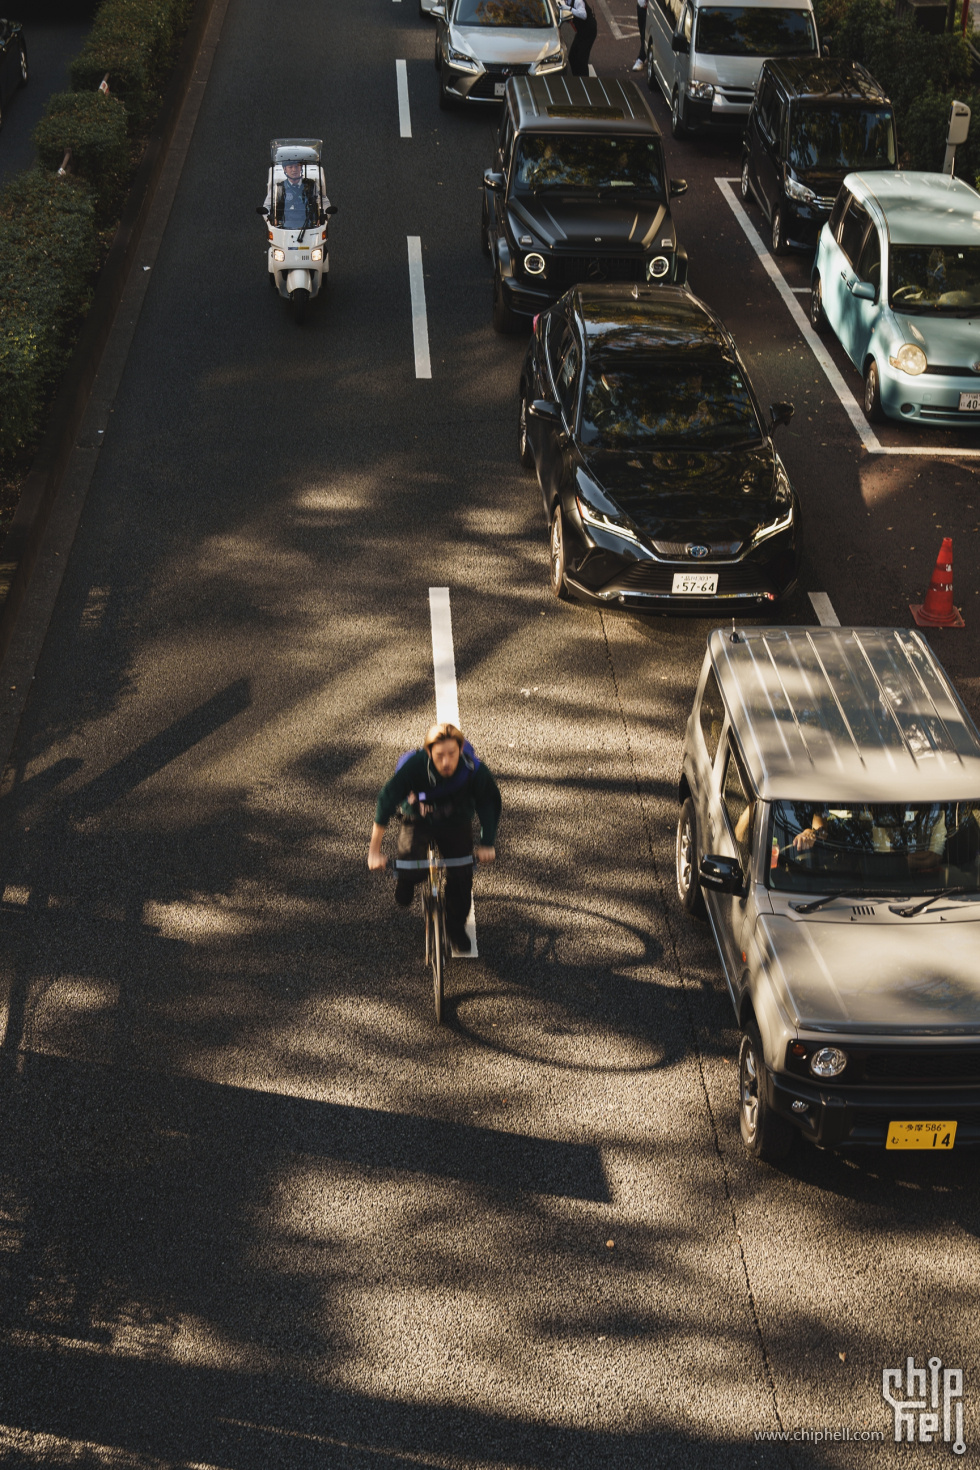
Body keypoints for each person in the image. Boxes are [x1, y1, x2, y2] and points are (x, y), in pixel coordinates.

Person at [368, 723, 501, 953]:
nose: (447, 762)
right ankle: (407, 879)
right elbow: (385, 803)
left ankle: (455, 927)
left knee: (462, 877)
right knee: (410, 865)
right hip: (418, 819)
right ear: (429, 753)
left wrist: (487, 842)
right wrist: (374, 850)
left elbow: (489, 803)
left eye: (452, 754)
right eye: (440, 755)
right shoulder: (414, 767)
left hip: (456, 821)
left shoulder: (474, 770)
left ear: (460, 749)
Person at [264, 160, 322, 231]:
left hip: (309, 227)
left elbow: (323, 202)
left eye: (297, 166)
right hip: (284, 228)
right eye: (290, 167)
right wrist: (270, 218)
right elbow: (266, 206)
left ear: (301, 168)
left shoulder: (311, 185)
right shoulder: (279, 188)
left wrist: (322, 217)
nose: (294, 170)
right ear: (285, 169)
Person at [564, 0, 598, 77]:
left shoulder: (578, 1)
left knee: (582, 59)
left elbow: (583, 15)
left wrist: (569, 9)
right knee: (572, 56)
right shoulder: (567, 1)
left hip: (589, 32)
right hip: (581, 32)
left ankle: (584, 79)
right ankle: (577, 76)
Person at [633, 0, 648, 70]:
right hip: (641, 6)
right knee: (642, 34)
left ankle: (641, 58)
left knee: (644, 33)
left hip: (650, 9)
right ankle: (646, 53)